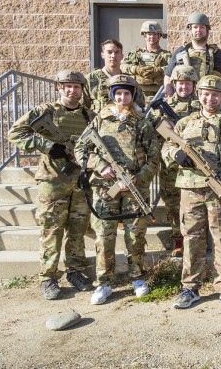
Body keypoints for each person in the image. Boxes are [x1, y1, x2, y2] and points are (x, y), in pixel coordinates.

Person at [162, 75, 221, 309]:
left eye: (215, 95)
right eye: (205, 94)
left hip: (219, 188)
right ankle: (190, 287)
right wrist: (175, 155)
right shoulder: (184, 123)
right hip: (190, 189)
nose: (210, 98)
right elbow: (168, 145)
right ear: (198, 95)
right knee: (191, 237)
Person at [9, 70, 96, 300]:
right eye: (67, 86)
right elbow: (15, 133)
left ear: (82, 90)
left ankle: (75, 271)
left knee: (77, 229)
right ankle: (48, 277)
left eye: (77, 87)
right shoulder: (44, 111)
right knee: (51, 229)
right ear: (59, 87)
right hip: (53, 181)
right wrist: (46, 146)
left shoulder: (89, 115)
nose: (72, 90)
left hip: (80, 180)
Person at [75, 75, 160, 305]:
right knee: (104, 236)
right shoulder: (100, 120)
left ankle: (137, 277)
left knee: (135, 235)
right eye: (118, 93)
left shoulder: (142, 122)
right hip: (105, 188)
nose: (122, 97)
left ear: (133, 95)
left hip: (135, 188)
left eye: (127, 93)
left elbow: (154, 158)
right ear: (112, 95)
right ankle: (104, 282)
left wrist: (137, 178)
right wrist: (101, 166)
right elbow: (81, 148)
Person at [151, 65, 201, 257]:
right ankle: (178, 239)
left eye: (188, 83)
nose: (184, 87)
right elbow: (153, 131)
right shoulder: (164, 105)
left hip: (194, 164)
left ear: (193, 85)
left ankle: (195, 238)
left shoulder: (200, 106)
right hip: (171, 163)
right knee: (173, 203)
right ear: (174, 84)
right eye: (180, 83)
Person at [164, 13, 221, 96]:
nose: (198, 30)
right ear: (190, 29)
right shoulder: (181, 52)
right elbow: (168, 75)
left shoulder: (218, 54)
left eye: (202, 27)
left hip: (210, 101)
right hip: (185, 103)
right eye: (195, 27)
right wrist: (169, 94)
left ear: (207, 30)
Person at [85, 39, 146, 113]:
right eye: (109, 52)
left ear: (122, 56)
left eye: (117, 52)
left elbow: (140, 106)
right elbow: (82, 107)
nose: (113, 56)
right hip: (99, 122)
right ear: (102, 55)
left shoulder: (130, 81)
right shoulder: (90, 79)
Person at [120, 21, 171, 99]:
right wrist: (136, 69)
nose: (152, 37)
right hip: (138, 93)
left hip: (159, 93)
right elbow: (122, 66)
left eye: (155, 34)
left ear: (159, 36)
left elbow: (174, 69)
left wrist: (159, 70)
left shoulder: (166, 55)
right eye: (149, 34)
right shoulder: (136, 54)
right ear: (144, 35)